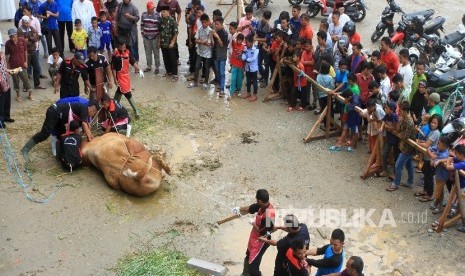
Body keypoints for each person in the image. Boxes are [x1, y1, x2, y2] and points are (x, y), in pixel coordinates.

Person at [20, 100, 98, 160]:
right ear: (92, 110)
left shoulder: (83, 109)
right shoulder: (84, 108)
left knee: (61, 134)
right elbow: (84, 124)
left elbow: (86, 125)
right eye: (94, 114)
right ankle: (25, 149)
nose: (92, 116)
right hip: (54, 112)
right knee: (44, 134)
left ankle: (61, 156)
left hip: (60, 118)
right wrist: (91, 139)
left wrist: (90, 136)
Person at [231, 189, 275, 276]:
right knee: (248, 255)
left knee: (253, 268)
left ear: (260, 200)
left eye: (257, 200)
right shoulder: (261, 205)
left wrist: (252, 223)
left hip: (262, 241)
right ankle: (245, 274)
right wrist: (239, 209)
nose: (256, 202)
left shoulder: (269, 214)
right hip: (254, 238)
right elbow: (251, 208)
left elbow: (261, 231)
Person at [387, 101, 417, 191]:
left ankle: (396, 183)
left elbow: (404, 137)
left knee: (398, 165)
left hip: (407, 148)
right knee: (409, 165)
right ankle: (410, 182)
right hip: (404, 146)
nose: (399, 112)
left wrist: (396, 132)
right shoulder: (404, 118)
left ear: (405, 111)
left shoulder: (409, 122)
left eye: (401, 110)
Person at [111, 39, 143, 118]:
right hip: (120, 77)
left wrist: (139, 70)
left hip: (126, 76)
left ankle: (113, 107)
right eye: (121, 47)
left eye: (124, 47)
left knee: (120, 91)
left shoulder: (127, 52)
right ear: (119, 46)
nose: (123, 48)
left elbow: (132, 62)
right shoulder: (116, 56)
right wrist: (115, 79)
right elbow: (113, 69)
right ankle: (136, 110)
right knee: (127, 92)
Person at [416, 114, 442, 202]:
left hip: (430, 158)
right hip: (426, 157)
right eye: (432, 122)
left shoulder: (436, 133)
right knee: (426, 175)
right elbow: (426, 142)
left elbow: (427, 145)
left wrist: (418, 142)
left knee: (429, 177)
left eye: (435, 123)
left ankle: (430, 194)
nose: (433, 124)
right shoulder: (432, 131)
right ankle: (425, 191)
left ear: (439, 124)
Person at [5, 28, 34, 102]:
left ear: (16, 35)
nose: (12, 38)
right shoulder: (7, 43)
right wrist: (8, 67)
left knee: (25, 79)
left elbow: (25, 51)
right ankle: (18, 95)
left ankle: (30, 94)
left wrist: (26, 62)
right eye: (10, 37)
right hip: (13, 65)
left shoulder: (22, 40)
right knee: (15, 81)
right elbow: (7, 55)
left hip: (22, 64)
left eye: (13, 36)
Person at [187, 13, 212, 89]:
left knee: (206, 68)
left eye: (205, 22)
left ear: (208, 22)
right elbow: (195, 40)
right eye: (202, 22)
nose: (204, 24)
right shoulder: (199, 29)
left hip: (208, 53)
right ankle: (195, 82)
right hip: (200, 51)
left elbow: (209, 43)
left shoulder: (210, 31)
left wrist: (201, 41)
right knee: (197, 66)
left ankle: (206, 83)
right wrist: (202, 42)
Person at [444, 144, 465, 233]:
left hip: (463, 186)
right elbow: (453, 158)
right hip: (459, 184)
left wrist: (449, 159)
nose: (455, 155)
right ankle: (457, 213)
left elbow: (448, 166)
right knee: (459, 201)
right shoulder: (459, 159)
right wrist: (451, 157)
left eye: (456, 153)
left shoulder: (463, 163)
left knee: (463, 204)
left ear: (461, 154)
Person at [429, 136, 452, 214]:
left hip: (442, 176)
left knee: (437, 193)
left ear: (445, 146)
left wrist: (433, 157)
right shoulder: (439, 148)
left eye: (439, 144)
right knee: (440, 191)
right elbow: (429, 149)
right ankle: (438, 205)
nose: (438, 145)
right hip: (438, 174)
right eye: (438, 143)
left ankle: (439, 207)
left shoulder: (445, 154)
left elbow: (433, 163)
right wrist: (433, 156)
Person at [379, 100, 400, 179]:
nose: (385, 109)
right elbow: (384, 120)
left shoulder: (394, 116)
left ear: (391, 109)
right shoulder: (388, 115)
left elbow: (395, 128)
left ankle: (394, 173)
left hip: (395, 139)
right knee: (384, 153)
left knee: (395, 156)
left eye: (387, 108)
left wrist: (386, 127)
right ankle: (385, 170)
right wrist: (382, 127)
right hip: (389, 138)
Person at [159, 5, 178, 81]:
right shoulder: (161, 20)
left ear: (168, 12)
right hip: (163, 43)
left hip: (170, 44)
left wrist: (173, 42)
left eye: (164, 12)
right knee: (165, 58)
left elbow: (176, 33)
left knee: (173, 59)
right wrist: (159, 42)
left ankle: (175, 74)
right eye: (161, 12)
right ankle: (168, 72)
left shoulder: (172, 21)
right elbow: (159, 32)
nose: (162, 13)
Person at [141, 1, 161, 74]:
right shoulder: (143, 15)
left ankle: (157, 67)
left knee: (156, 53)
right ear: (147, 8)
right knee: (147, 52)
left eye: (153, 8)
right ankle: (149, 66)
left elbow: (160, 27)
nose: (152, 10)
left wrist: (159, 37)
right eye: (150, 8)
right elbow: (142, 25)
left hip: (155, 37)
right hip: (146, 37)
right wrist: (142, 34)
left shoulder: (157, 15)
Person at [254, 10, 272, 88]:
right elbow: (257, 32)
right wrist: (255, 37)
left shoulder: (269, 27)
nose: (264, 19)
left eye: (266, 19)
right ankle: (263, 75)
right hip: (259, 46)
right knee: (258, 62)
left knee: (267, 64)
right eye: (264, 17)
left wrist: (257, 39)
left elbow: (266, 39)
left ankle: (265, 80)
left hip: (266, 46)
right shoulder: (258, 23)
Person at [212, 16, 228, 97]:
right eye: (215, 24)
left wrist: (217, 37)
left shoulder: (224, 33)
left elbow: (222, 45)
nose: (216, 26)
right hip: (215, 55)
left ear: (221, 24)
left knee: (222, 72)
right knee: (218, 71)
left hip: (222, 56)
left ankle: (222, 89)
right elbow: (213, 44)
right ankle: (219, 85)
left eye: (217, 24)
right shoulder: (215, 31)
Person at [242, 35, 259, 102]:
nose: (246, 43)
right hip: (247, 68)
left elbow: (253, 58)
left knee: (254, 81)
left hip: (253, 68)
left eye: (247, 42)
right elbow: (243, 55)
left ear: (252, 42)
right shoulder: (245, 48)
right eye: (245, 42)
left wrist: (246, 59)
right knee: (248, 80)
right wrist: (244, 58)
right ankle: (248, 92)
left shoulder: (256, 49)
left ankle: (255, 94)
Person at [228, 33, 245, 100]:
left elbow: (244, 57)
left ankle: (238, 90)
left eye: (240, 40)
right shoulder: (234, 44)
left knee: (239, 79)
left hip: (240, 66)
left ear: (242, 40)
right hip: (234, 65)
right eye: (238, 40)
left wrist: (244, 68)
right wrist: (236, 33)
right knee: (233, 79)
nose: (239, 41)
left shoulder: (243, 47)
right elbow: (231, 39)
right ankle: (231, 93)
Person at [0, 49, 14, 128]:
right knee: (1, 104)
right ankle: (1, 121)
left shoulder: (2, 59)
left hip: (6, 82)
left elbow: (4, 69)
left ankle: (6, 116)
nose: (1, 53)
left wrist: (9, 71)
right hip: (0, 86)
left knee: (7, 101)